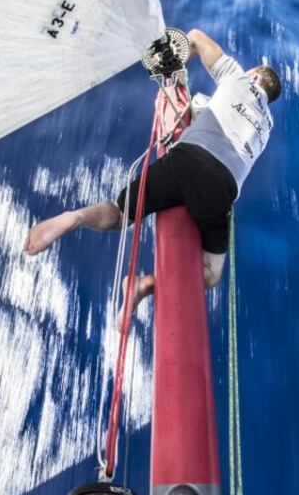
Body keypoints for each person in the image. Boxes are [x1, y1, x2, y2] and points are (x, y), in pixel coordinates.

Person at [24, 28, 280, 323]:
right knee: (210, 274)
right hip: (218, 187)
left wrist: (178, 64)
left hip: (185, 158)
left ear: (256, 77)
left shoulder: (238, 77)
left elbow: (194, 36)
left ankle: (74, 218)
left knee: (120, 214)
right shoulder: (267, 126)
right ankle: (144, 285)